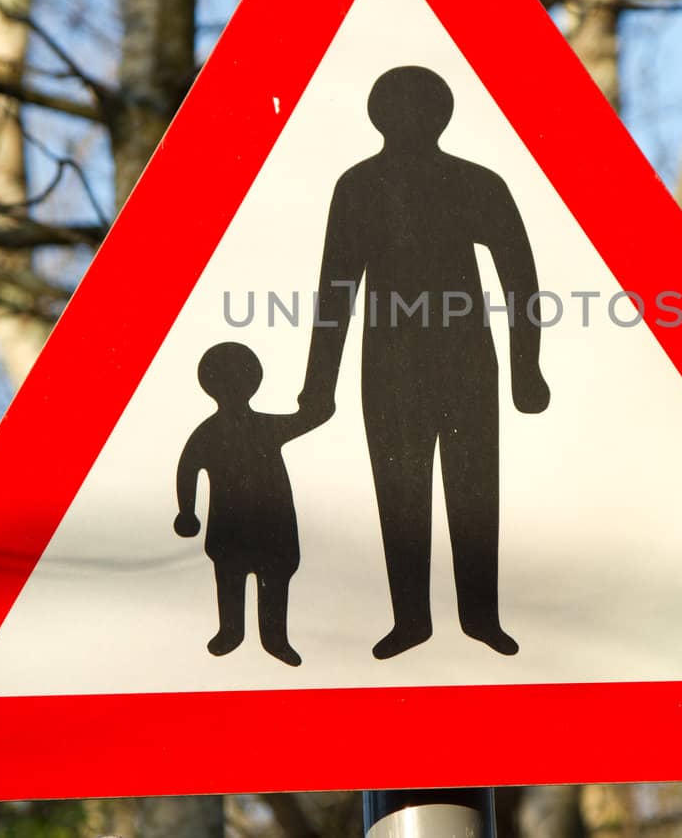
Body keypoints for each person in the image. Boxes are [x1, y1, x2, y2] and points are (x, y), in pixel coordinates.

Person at [298, 65, 550, 660]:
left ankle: (481, 616)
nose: (410, 120)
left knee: (473, 489)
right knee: (400, 490)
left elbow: (520, 278)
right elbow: (336, 289)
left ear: (441, 115)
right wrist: (319, 384)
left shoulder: (474, 183)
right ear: (378, 116)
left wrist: (526, 367)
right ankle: (410, 619)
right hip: (387, 363)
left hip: (465, 359)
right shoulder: (357, 187)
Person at [175, 341, 328, 667]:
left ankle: (275, 639)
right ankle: (231, 632)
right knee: (230, 576)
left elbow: (312, 417)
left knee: (273, 578)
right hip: (231, 527)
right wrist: (186, 512)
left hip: (272, 527)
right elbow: (188, 470)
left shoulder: (261, 427)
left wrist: (318, 397)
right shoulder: (211, 433)